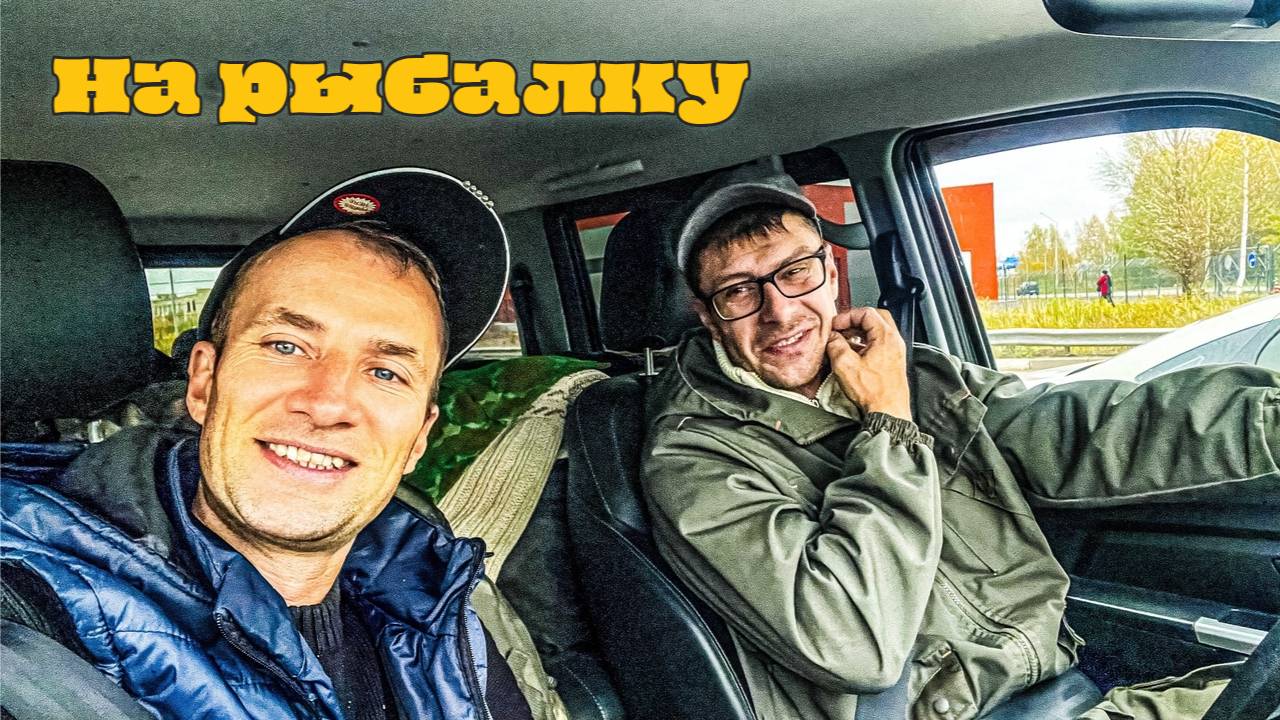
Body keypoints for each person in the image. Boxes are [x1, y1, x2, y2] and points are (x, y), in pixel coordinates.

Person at [640, 163, 1279, 720]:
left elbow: (1076, 429)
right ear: (707, 316)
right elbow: (856, 642)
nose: (779, 311)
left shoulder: (912, 373)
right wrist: (888, 422)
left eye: (795, 272)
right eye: (738, 292)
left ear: (830, 273)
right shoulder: (691, 457)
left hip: (1050, 682)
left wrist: (1266, 420)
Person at [1, 168, 533, 720]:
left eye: (385, 372)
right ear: (204, 383)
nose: (327, 404)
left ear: (419, 436)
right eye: (286, 346)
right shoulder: (26, 618)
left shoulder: (442, 600)